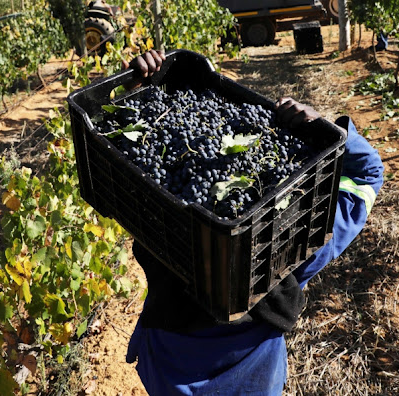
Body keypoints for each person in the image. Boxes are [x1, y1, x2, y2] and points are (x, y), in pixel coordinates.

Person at [122, 50, 385, 395]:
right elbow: (367, 176)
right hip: (255, 380)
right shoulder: (295, 246)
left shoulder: (162, 224)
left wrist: (140, 96)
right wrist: (331, 129)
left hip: (168, 367)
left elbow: (125, 162)